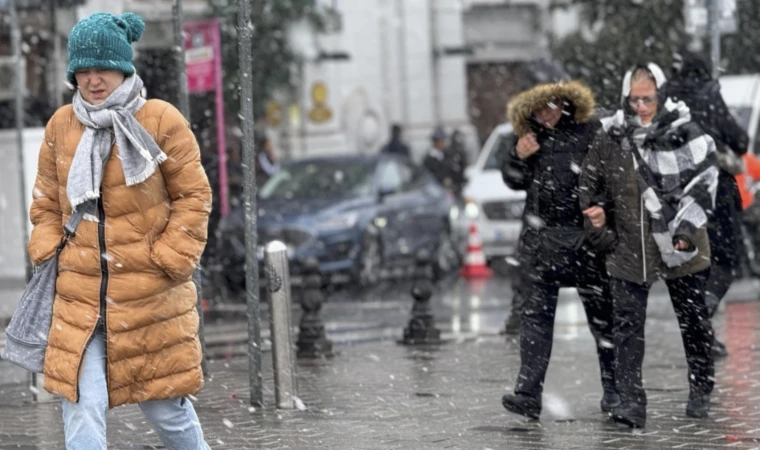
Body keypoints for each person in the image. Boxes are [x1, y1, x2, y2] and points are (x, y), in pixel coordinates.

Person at [26, 12, 212, 449]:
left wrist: (167, 257)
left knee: (169, 413)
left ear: (124, 68)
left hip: (149, 297)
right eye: (83, 72)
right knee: (81, 406)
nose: (93, 81)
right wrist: (49, 247)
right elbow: (47, 201)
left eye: (102, 69)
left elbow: (194, 196)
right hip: (81, 297)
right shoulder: (60, 126)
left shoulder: (161, 120)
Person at [581, 63, 718, 428]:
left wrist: (686, 229)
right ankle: (630, 402)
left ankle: (701, 385)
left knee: (693, 321)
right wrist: (599, 223)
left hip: (682, 242)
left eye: (648, 99)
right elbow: (589, 185)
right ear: (625, 97)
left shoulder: (684, 131)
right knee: (626, 326)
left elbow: (706, 181)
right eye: (634, 99)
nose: (641, 106)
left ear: (661, 96)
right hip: (630, 245)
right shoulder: (610, 136)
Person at [499, 80, 618, 419]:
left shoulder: (590, 131)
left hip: (585, 243)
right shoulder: (529, 137)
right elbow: (513, 179)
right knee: (535, 320)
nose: (544, 114)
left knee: (602, 321)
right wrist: (518, 156)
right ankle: (528, 394)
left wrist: (602, 209)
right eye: (537, 109)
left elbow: (611, 177)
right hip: (541, 243)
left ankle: (613, 391)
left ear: (564, 103)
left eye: (550, 106)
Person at [665, 47, 749, 358]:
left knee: (690, 262)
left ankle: (702, 333)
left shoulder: (665, 97)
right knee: (725, 259)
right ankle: (704, 313)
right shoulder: (709, 93)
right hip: (716, 187)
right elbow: (739, 140)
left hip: (675, 190)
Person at [423, 126, 467, 198]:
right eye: (442, 141)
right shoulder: (428, 159)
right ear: (436, 142)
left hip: (452, 190)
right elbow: (429, 176)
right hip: (437, 192)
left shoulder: (448, 155)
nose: (444, 143)